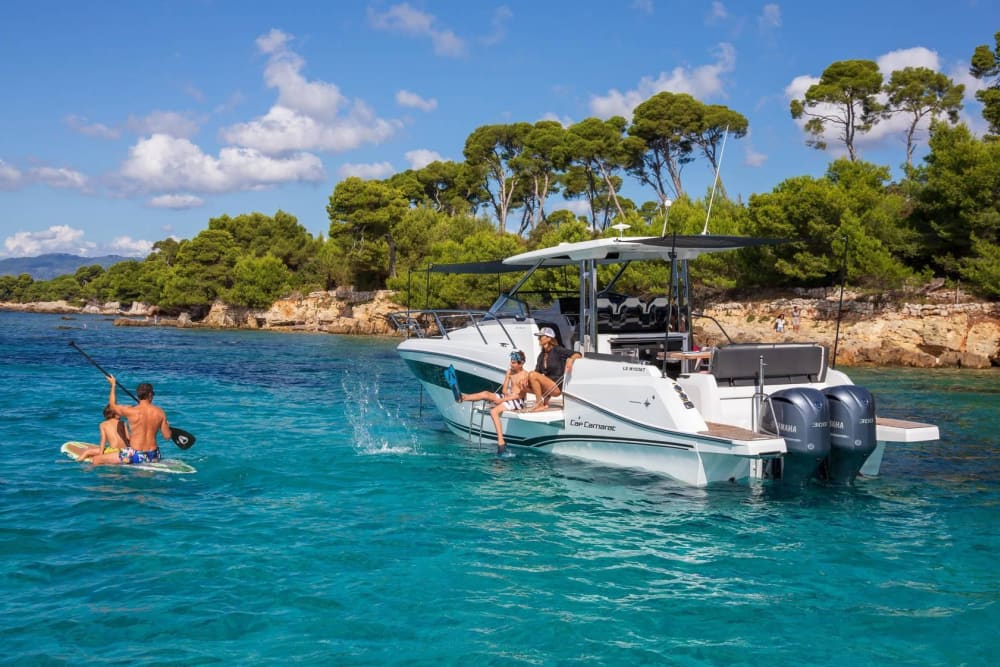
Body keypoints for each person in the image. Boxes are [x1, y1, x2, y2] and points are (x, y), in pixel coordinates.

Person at [459, 350, 530, 455]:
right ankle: (463, 398)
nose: (511, 364)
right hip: (508, 397)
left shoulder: (525, 375)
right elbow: (504, 390)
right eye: (511, 362)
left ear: (521, 363)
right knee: (486, 394)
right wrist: (501, 396)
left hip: (518, 401)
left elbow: (520, 395)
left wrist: (501, 400)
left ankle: (501, 441)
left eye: (514, 363)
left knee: (494, 412)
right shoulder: (510, 372)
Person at [89, 376, 171, 466]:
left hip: (135, 454)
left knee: (96, 459)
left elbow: (112, 406)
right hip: (154, 455)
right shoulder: (160, 412)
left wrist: (113, 385)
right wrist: (167, 425)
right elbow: (167, 436)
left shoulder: (131, 411)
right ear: (150, 395)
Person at [528, 327, 581, 412]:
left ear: (549, 338)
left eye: (541, 337)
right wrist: (525, 380)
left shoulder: (557, 350)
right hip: (548, 387)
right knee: (522, 382)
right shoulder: (542, 355)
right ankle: (517, 403)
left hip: (556, 387)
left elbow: (578, 354)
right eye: (539, 337)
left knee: (532, 375)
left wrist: (570, 359)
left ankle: (539, 404)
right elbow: (536, 372)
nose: (539, 339)